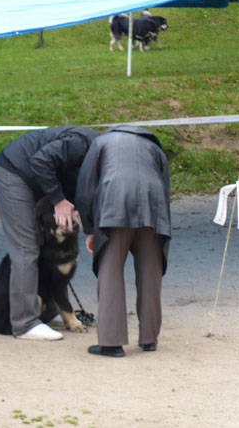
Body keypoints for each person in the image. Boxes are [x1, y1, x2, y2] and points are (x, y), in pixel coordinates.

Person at [0, 125, 99, 341]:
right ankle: (24, 324)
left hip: (32, 178)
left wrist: (90, 229)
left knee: (45, 249)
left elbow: (80, 193)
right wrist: (58, 200)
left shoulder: (96, 155)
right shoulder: (80, 143)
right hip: (13, 174)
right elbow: (40, 161)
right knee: (27, 246)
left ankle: (42, 308)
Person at [75, 124, 171, 357]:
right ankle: (149, 339)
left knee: (110, 272)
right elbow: (166, 186)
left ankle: (111, 342)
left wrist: (90, 230)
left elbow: (86, 189)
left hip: (114, 208)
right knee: (150, 270)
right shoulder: (154, 147)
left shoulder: (100, 143)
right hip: (153, 208)